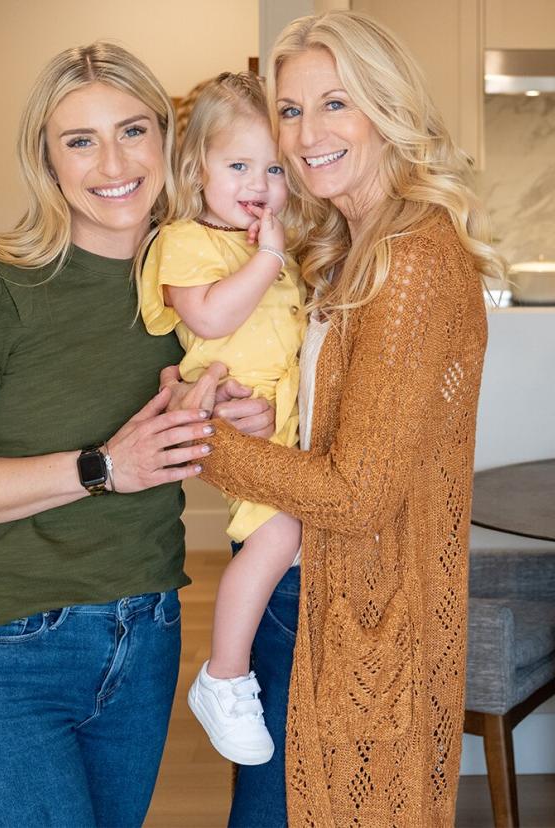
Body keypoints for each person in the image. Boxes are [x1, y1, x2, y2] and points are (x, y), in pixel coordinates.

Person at [0, 42, 271, 827]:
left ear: (168, 141)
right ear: (46, 159)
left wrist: (245, 428)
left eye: (133, 130)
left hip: (149, 632)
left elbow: (194, 449)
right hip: (10, 648)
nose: (112, 163)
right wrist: (101, 467)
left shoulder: (200, 282)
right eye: (80, 140)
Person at [171, 11, 504, 826]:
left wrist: (200, 441)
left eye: (336, 103)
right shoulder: (353, 245)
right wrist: (255, 416)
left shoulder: (413, 260)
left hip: (359, 614)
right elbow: (345, 433)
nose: (307, 132)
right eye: (290, 109)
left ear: (386, 108)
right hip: (320, 597)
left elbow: (357, 495)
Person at [137, 71, 304, 767]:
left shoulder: (265, 244)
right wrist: (269, 255)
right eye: (237, 165)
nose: (257, 183)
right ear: (195, 168)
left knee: (293, 539)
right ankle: (225, 674)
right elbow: (209, 315)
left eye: (273, 167)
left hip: (284, 418)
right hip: (232, 422)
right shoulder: (186, 240)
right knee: (278, 534)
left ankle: (233, 672)